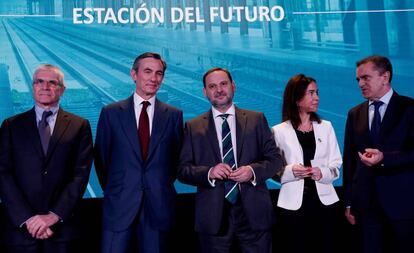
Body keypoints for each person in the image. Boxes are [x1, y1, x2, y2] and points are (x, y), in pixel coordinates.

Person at [178, 67, 282, 253]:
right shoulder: (193, 127)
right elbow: (183, 170)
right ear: (205, 92)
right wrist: (209, 172)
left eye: (223, 84)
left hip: (254, 214)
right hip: (213, 217)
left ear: (233, 86)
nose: (219, 90)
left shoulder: (256, 119)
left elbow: (274, 160)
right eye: (212, 86)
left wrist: (252, 171)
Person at [94, 52, 183, 253]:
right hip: (119, 207)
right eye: (148, 71)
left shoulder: (174, 116)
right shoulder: (111, 113)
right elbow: (101, 159)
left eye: (159, 73)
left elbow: (175, 160)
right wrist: (121, 188)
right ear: (134, 74)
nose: (153, 78)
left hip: (159, 209)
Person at [0, 64, 93, 253]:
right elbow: (3, 174)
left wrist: (53, 216)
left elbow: (80, 175)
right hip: (21, 230)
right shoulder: (11, 125)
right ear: (32, 86)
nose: (45, 87)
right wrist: (28, 219)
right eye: (39, 82)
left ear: (62, 89)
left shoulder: (79, 125)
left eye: (53, 83)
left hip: (62, 231)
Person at [343, 55, 414, 253]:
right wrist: (349, 202)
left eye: (365, 78)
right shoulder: (354, 113)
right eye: (358, 79)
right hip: (366, 206)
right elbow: (349, 162)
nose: (360, 84)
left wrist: (385, 158)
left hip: (404, 205)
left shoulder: (410, 109)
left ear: (385, 77)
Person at [272, 74, 342, 253]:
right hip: (293, 206)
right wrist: (291, 171)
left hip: (325, 203)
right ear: (296, 98)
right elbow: (273, 171)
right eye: (311, 93)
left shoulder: (326, 127)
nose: (316, 97)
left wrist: (322, 173)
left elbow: (336, 166)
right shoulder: (279, 131)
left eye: (317, 92)